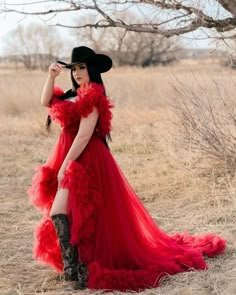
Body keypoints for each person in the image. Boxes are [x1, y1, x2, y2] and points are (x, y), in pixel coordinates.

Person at [28, 46, 226, 291]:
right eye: (75, 68)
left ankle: (81, 268)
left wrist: (65, 166)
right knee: (62, 213)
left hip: (86, 158)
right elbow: (44, 101)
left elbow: (83, 136)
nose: (78, 72)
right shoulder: (71, 95)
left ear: (92, 70)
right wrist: (50, 76)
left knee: (72, 213)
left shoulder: (94, 96)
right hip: (67, 155)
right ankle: (74, 267)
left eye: (82, 67)